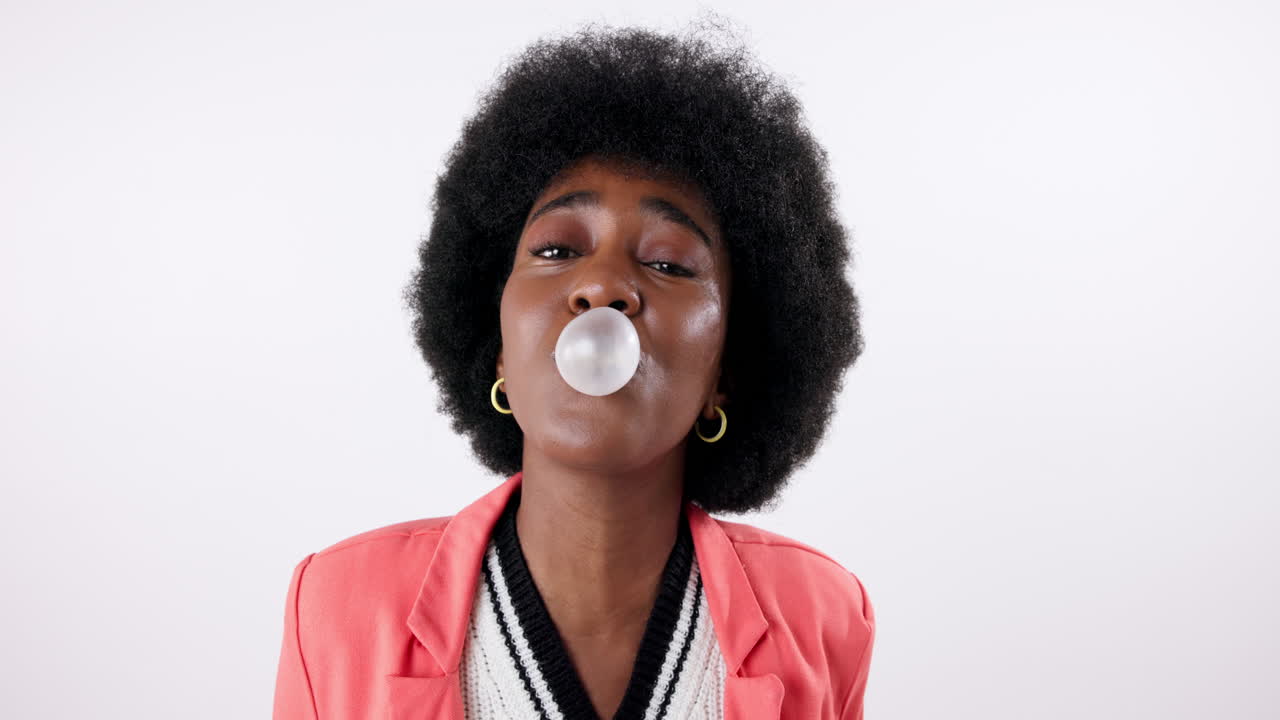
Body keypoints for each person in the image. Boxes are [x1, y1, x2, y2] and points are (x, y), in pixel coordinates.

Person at [273, 17, 875, 720]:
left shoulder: (824, 617)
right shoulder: (337, 610)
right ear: (496, 345)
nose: (603, 288)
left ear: (725, 374)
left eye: (667, 262)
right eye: (558, 250)